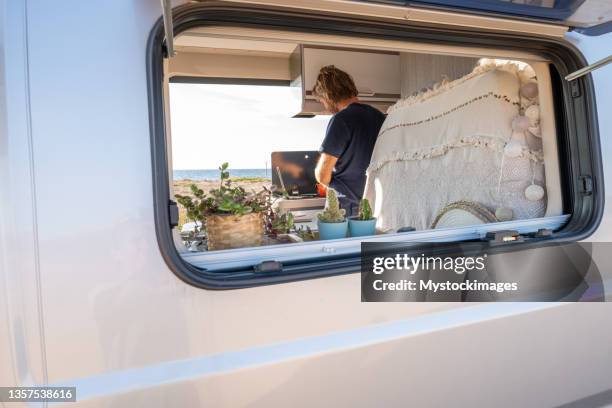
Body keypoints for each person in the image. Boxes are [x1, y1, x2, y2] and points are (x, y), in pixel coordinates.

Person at [313, 65, 386, 216]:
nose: (324, 105)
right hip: (375, 203)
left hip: (346, 207)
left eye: (322, 101)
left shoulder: (341, 120)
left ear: (328, 96)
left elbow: (322, 175)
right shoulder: (380, 117)